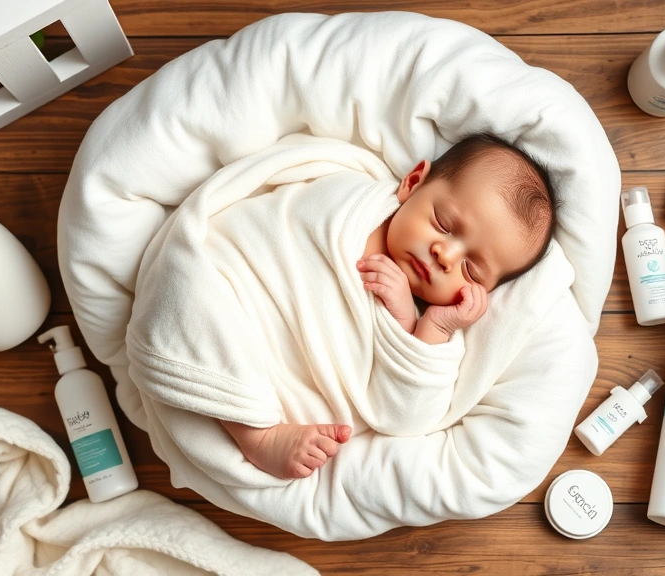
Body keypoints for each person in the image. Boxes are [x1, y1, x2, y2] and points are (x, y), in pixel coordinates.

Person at [219, 134, 557, 479]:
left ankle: (256, 431)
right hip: (234, 277)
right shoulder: (351, 196)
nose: (445, 255)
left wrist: (426, 326)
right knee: (198, 303)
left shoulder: (420, 328)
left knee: (221, 347)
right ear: (412, 183)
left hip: (276, 363)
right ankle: (253, 435)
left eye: (470, 270)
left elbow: (406, 417)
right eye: (442, 223)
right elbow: (285, 203)